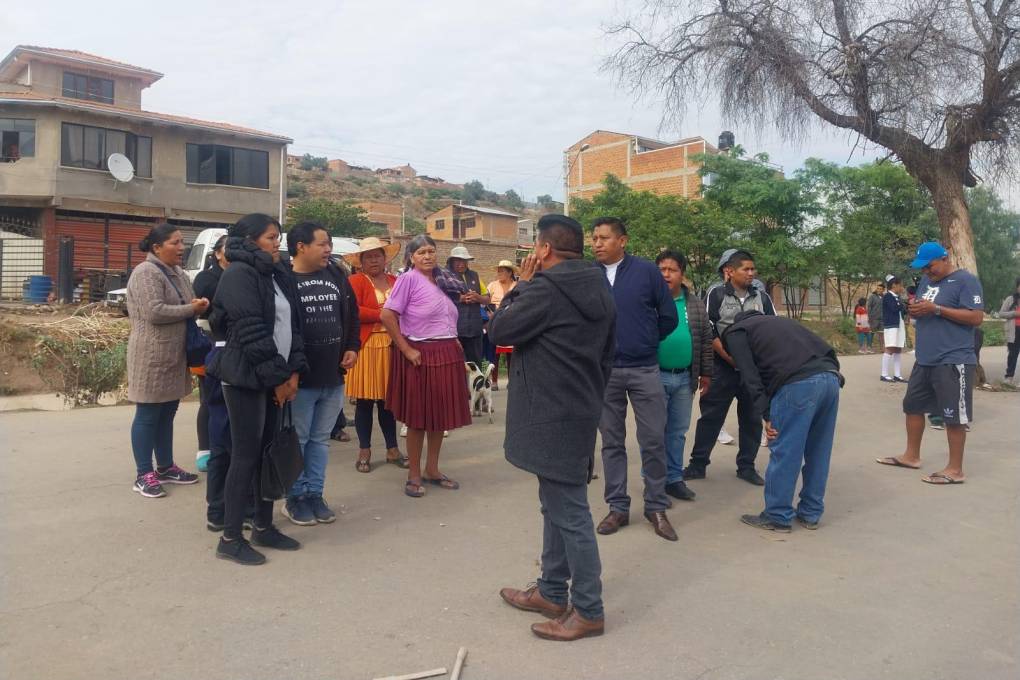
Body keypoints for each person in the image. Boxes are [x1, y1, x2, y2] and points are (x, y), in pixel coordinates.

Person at [491, 214, 615, 642]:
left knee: (570, 512)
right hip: (581, 408)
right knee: (556, 505)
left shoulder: (544, 289)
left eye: (534, 250)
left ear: (543, 250)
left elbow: (500, 331)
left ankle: (589, 610)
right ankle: (550, 591)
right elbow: (608, 353)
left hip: (550, 413)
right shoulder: (600, 284)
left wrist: (519, 287)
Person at [207, 213, 308, 565]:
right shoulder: (238, 274)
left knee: (268, 454)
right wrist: (278, 380)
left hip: (275, 376)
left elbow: (293, 325)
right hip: (246, 379)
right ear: (250, 241)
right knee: (245, 457)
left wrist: (293, 372)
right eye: (270, 237)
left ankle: (263, 527)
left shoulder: (276, 273)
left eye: (277, 236)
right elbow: (252, 333)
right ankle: (231, 538)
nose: (277, 242)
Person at [591, 217, 679, 542]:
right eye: (594, 238)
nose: (597, 243)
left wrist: (644, 340)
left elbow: (668, 316)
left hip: (644, 369)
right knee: (612, 442)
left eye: (603, 238)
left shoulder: (646, 272)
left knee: (653, 439)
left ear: (622, 241)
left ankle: (656, 507)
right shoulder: (590, 275)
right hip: (606, 372)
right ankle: (617, 507)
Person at [722, 311, 844, 532]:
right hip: (831, 379)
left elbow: (750, 376)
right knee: (819, 450)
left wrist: (766, 414)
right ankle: (810, 513)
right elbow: (827, 349)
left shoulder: (737, 331)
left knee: (786, 451)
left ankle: (777, 516)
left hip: (798, 385)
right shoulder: (781, 323)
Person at [876, 242, 984, 485]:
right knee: (912, 406)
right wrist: (916, 310)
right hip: (925, 358)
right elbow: (925, 308)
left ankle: (955, 469)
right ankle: (911, 456)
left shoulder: (966, 281)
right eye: (923, 268)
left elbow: (976, 317)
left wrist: (936, 309)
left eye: (930, 266)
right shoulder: (926, 282)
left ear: (944, 259)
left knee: (953, 415)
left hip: (953, 358)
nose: (926, 272)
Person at [380, 235, 472, 498]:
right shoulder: (408, 279)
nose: (428, 256)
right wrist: (406, 349)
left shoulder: (443, 280)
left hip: (446, 351)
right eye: (421, 252)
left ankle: (432, 469)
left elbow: (445, 315)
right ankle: (414, 474)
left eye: (431, 251)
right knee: (418, 418)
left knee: (438, 417)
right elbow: (387, 315)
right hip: (420, 353)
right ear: (411, 257)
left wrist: (455, 341)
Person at [281, 222, 360, 526]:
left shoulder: (336, 274)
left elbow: (351, 315)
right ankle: (294, 498)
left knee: (319, 440)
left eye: (329, 244)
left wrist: (353, 346)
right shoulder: (284, 278)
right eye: (322, 244)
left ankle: (315, 493)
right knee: (299, 440)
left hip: (333, 375)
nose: (328, 249)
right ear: (301, 246)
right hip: (301, 378)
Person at [125, 223, 205, 498]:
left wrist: (197, 305)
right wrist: (191, 308)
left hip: (174, 353)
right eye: (175, 242)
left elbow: (188, 303)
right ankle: (143, 473)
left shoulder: (179, 273)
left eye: (182, 242)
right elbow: (154, 311)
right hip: (150, 355)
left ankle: (166, 466)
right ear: (157, 247)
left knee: (167, 413)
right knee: (148, 414)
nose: (181, 248)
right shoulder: (145, 272)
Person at [685, 249, 777, 486]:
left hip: (753, 372)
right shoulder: (715, 294)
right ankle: (698, 464)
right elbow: (709, 329)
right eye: (745, 269)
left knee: (751, 418)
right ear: (729, 271)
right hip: (722, 367)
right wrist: (730, 358)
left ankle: (746, 467)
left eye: (752, 269)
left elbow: (772, 329)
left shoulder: (762, 298)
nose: (751, 273)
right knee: (711, 417)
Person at [655, 249, 713, 502]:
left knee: (677, 432)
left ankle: (674, 479)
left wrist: (706, 374)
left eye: (672, 270)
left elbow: (705, 341)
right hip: (655, 376)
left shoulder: (695, 304)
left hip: (685, 379)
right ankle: (654, 482)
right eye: (661, 269)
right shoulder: (649, 300)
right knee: (655, 432)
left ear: (682, 274)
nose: (666, 274)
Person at [344, 236, 407, 472]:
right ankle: (364, 449)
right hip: (367, 346)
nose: (374, 260)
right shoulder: (355, 281)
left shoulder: (395, 280)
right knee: (364, 402)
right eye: (368, 256)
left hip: (392, 346)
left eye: (378, 255)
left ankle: (392, 449)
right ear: (360, 261)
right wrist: (381, 314)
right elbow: (352, 310)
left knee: (388, 403)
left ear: (385, 258)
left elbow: (406, 306)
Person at [192, 234, 228, 472]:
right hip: (210, 345)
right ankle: (205, 450)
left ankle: (224, 446)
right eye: (228, 248)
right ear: (217, 253)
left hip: (234, 347)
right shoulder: (206, 277)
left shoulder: (244, 275)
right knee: (209, 399)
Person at [446, 245, 491, 365]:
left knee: (475, 365)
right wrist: (460, 298)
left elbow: (487, 299)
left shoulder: (475, 275)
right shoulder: (445, 276)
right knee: (456, 365)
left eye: (464, 260)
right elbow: (439, 299)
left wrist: (477, 297)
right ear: (451, 261)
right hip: (455, 330)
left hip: (475, 329)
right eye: (458, 260)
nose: (461, 264)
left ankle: (474, 384)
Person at [486, 259, 519, 390]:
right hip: (496, 320)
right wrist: (489, 314)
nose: (499, 273)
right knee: (495, 353)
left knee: (512, 353)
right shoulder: (492, 285)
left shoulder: (518, 285)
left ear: (510, 272)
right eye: (498, 271)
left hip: (513, 321)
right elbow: (486, 302)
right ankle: (494, 381)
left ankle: (512, 381)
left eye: (502, 271)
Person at [881, 275, 907, 382]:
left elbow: (902, 310)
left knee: (898, 348)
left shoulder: (897, 297)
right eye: (900, 285)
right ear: (894, 285)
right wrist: (904, 305)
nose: (901, 288)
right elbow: (894, 308)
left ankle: (897, 374)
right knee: (890, 348)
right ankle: (884, 374)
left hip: (899, 324)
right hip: (891, 325)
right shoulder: (887, 296)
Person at [999, 277, 1020, 383]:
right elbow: (1001, 314)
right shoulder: (1010, 299)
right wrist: (1014, 314)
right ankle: (1009, 377)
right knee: (1013, 355)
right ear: (1017, 287)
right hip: (1014, 331)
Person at [867, 283, 885, 352]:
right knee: (871, 333)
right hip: (873, 318)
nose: (879, 290)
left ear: (883, 290)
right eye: (878, 288)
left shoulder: (884, 297)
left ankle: (882, 348)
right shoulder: (872, 297)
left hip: (882, 319)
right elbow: (869, 307)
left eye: (880, 289)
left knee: (881, 333)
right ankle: (869, 347)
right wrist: (869, 317)